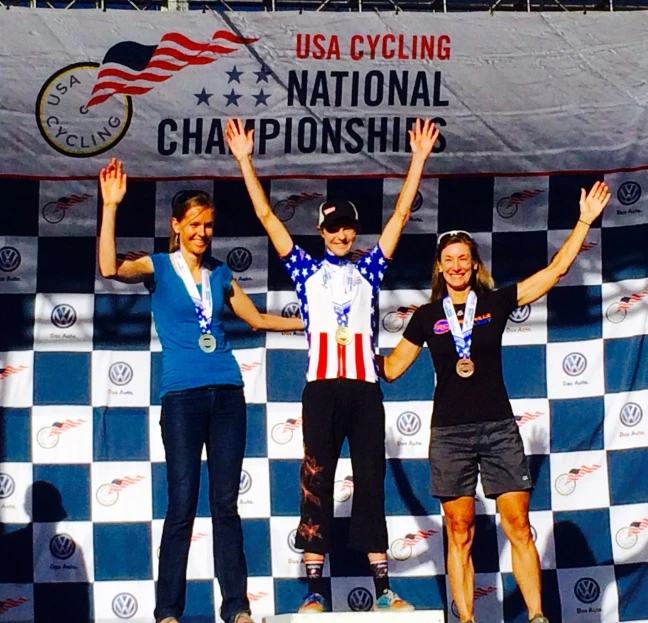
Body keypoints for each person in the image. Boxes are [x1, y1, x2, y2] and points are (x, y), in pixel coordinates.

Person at [225, 118, 440, 613]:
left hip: (365, 388)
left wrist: (419, 160)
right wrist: (244, 161)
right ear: (320, 231)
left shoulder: (371, 267)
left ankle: (384, 587)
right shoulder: (304, 269)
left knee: (369, 479)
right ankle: (315, 591)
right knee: (317, 480)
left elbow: (402, 214)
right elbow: (266, 217)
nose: (342, 234)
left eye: (348, 227)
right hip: (321, 388)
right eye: (332, 227)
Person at [379, 182, 611, 623]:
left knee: (518, 527)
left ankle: (538, 617)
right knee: (459, 531)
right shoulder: (427, 317)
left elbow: (554, 272)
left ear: (474, 264)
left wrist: (583, 220)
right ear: (439, 268)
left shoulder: (495, 302)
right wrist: (340, 349)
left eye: (463, 258)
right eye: (448, 260)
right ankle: (466, 620)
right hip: (449, 434)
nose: (456, 266)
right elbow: (390, 369)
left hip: (499, 428)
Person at [98, 158, 304, 623]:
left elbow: (256, 319)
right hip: (182, 398)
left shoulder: (219, 273)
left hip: (228, 394)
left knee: (226, 506)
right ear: (176, 226)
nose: (202, 232)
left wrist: (313, 323)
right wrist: (110, 207)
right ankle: (168, 611)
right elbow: (109, 267)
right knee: (182, 505)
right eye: (194, 224)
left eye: (208, 225)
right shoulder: (158, 266)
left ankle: (237, 608)